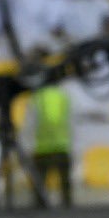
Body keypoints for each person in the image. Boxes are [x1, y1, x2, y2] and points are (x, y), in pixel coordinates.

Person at [29, 78, 73, 208]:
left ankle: (40, 209)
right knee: (65, 185)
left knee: (40, 186)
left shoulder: (38, 97)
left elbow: (30, 124)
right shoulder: (63, 96)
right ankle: (68, 210)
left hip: (42, 148)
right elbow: (70, 121)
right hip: (62, 146)